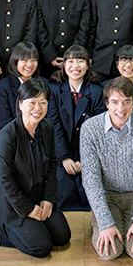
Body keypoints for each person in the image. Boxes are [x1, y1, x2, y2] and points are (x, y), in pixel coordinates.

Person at [0, 77, 72, 258]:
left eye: (43, 102)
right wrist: (27, 208)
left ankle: (34, 226)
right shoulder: (7, 135)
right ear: (20, 104)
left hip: (38, 195)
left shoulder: (47, 127)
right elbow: (5, 179)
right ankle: (1, 224)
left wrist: (48, 198)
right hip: (12, 202)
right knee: (41, 247)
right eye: (32, 102)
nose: (38, 108)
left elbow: (52, 165)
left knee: (62, 237)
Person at [80, 76, 133, 261]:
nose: (121, 109)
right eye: (115, 102)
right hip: (107, 196)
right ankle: (98, 223)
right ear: (106, 103)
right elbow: (91, 181)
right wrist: (105, 223)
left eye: (126, 102)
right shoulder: (90, 129)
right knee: (110, 252)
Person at [49, 45, 103, 211]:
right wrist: (64, 157)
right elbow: (54, 126)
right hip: (61, 151)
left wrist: (83, 159)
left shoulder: (97, 92)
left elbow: (97, 130)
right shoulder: (54, 91)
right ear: (64, 65)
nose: (75, 66)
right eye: (70, 62)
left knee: (89, 195)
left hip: (88, 153)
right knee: (63, 193)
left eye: (80, 61)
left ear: (88, 65)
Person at [0, 41, 41, 127]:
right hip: (12, 134)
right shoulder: (2, 87)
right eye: (24, 60)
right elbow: (4, 123)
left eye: (33, 60)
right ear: (15, 61)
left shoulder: (43, 84)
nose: (29, 65)